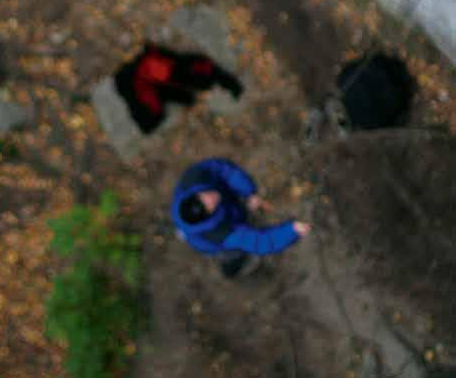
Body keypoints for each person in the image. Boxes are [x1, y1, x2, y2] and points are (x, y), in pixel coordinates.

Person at [171, 158, 311, 277]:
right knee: (233, 253)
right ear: (209, 217)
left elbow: (224, 170)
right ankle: (232, 270)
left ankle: (236, 214)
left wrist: (248, 192)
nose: (211, 196)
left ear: (194, 194)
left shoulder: (194, 178)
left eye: (203, 195)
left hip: (227, 210)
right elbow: (260, 242)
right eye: (210, 205)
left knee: (234, 210)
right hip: (216, 243)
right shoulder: (221, 233)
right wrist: (292, 231)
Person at [114, 42, 243, 133]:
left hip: (165, 76)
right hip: (163, 77)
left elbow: (168, 77)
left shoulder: (149, 74)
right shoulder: (145, 82)